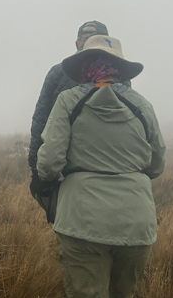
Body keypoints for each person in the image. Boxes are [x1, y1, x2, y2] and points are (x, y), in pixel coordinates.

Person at [36, 36, 165, 298]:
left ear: (84, 65)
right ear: (120, 68)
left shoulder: (69, 102)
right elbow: (156, 162)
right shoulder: (140, 105)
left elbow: (48, 162)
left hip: (83, 222)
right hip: (136, 223)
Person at [29, 21, 113, 220]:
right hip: (106, 162)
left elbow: (41, 117)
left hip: (64, 161)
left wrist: (35, 164)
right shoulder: (118, 76)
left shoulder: (58, 72)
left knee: (67, 215)